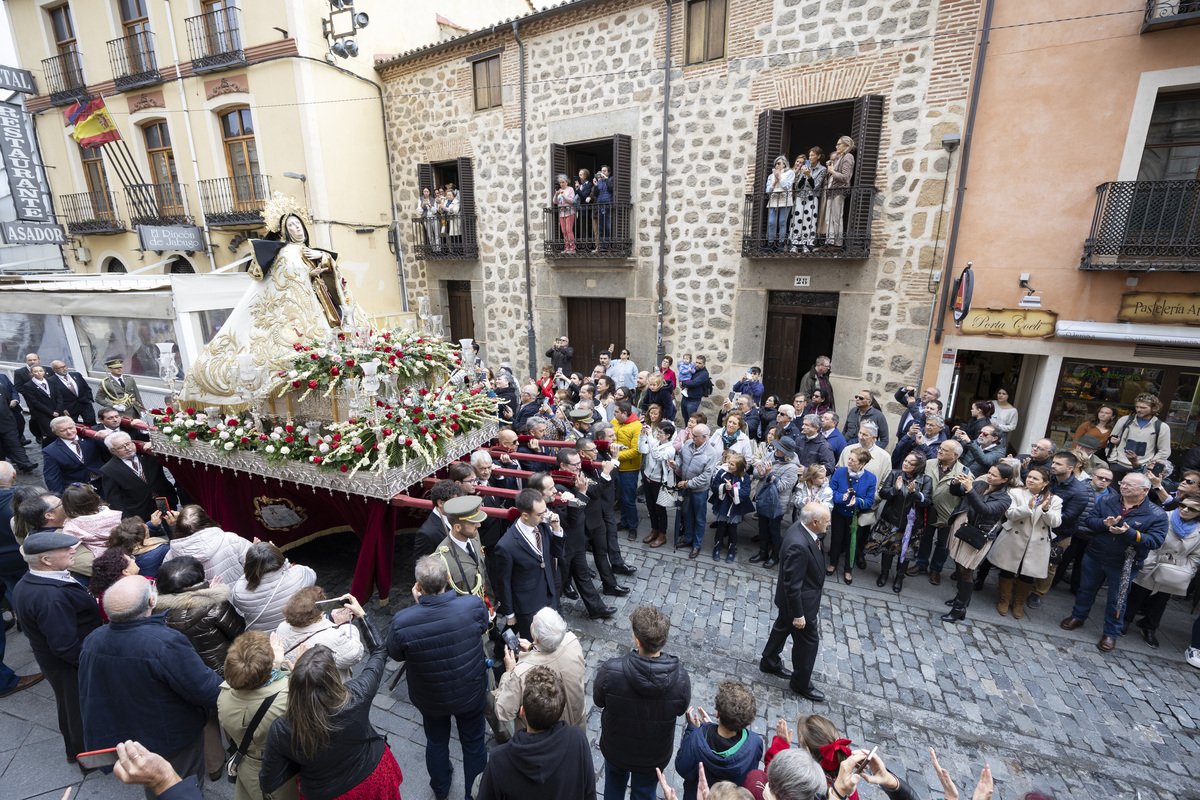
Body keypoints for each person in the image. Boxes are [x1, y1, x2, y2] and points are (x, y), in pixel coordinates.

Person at [179, 208, 367, 408]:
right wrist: (312, 272)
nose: (297, 229)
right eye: (291, 226)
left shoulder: (311, 250)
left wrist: (324, 259)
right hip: (296, 311)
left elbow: (331, 280)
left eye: (298, 224)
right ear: (284, 231)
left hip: (321, 307)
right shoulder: (285, 253)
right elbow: (288, 280)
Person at [80, 576, 222, 796]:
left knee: (155, 785)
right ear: (151, 602)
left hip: (133, 733)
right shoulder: (164, 643)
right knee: (178, 785)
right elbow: (207, 689)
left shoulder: (93, 639)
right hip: (173, 737)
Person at [261, 621, 401, 800]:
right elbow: (380, 651)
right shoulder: (357, 694)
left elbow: (269, 782)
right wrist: (363, 616)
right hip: (373, 777)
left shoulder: (283, 727)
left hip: (326, 793)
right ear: (333, 676)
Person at [387, 556, 490, 800]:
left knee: (436, 742)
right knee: (474, 745)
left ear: (418, 587)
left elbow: (395, 653)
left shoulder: (403, 621)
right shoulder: (473, 605)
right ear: (447, 579)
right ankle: (473, 794)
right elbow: (483, 627)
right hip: (470, 692)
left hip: (430, 697)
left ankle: (441, 788)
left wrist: (418, 606)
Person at [11, 530, 102, 763]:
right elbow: (65, 646)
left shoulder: (36, 580)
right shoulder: (50, 597)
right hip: (68, 664)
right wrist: (93, 663)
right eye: (66, 549)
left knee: (70, 706)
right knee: (78, 709)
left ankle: (77, 752)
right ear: (46, 560)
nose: (73, 550)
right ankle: (88, 758)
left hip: (56, 661)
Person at [1062, 472, 1168, 652]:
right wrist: (1104, 523)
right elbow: (1089, 520)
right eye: (1123, 483)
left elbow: (1155, 541)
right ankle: (1078, 616)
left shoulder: (1156, 514)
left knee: (1117, 600)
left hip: (1124, 563)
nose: (1124, 487)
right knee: (1086, 589)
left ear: (1144, 490)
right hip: (1095, 554)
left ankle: (1111, 632)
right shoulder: (1107, 501)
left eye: (1130, 485)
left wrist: (1129, 534)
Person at [595, 605, 691, 800]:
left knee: (613, 787)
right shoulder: (680, 678)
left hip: (617, 749)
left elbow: (598, 700)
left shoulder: (611, 671)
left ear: (636, 640)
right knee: (645, 792)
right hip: (653, 755)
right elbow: (681, 709)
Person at [479, 666, 595, 800]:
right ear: (562, 709)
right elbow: (589, 792)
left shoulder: (499, 759)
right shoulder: (577, 739)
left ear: (522, 712)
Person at [759, 502, 831, 701]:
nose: (829, 524)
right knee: (808, 642)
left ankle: (769, 661)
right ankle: (801, 683)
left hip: (790, 601)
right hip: (800, 605)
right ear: (815, 522)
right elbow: (792, 584)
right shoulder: (800, 544)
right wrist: (799, 614)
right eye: (827, 521)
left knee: (782, 626)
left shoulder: (800, 528)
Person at [217, 631, 297, 800]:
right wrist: (296, 675)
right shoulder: (289, 697)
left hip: (247, 766)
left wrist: (272, 667)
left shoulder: (223, 697)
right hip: (279, 771)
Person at [492, 606, 586, 736]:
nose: (534, 617)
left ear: (535, 638)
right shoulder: (572, 641)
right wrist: (533, 648)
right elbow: (552, 656)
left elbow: (504, 711)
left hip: (541, 738)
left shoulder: (521, 673)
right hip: (576, 726)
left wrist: (509, 671)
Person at [1121, 497, 1200, 649]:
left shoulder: (1198, 529)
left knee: (1160, 601)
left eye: (1192, 509)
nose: (1184, 509)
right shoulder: (1163, 516)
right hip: (1151, 562)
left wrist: (1189, 570)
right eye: (1183, 505)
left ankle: (1150, 627)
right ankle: (1125, 621)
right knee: (1137, 594)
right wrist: (1145, 558)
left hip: (1175, 569)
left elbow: (1196, 555)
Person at [941, 463, 1014, 622]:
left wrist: (970, 489)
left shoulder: (1005, 498)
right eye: (989, 472)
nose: (989, 476)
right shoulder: (980, 484)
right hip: (961, 526)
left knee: (966, 570)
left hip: (977, 533)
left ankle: (959, 608)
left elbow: (984, 509)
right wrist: (956, 482)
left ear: (1005, 480)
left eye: (994, 475)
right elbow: (955, 493)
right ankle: (961, 599)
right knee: (957, 564)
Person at [989, 466, 1062, 619]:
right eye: (1029, 477)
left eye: (1035, 478)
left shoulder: (1054, 499)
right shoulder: (1016, 492)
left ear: (1045, 483)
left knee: (1028, 573)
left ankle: (1018, 603)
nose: (1030, 480)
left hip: (1037, 542)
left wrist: (1047, 511)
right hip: (1014, 538)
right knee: (1007, 569)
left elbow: (1056, 522)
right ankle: (1004, 599)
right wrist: (1027, 508)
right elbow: (1009, 514)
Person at [155, 556, 246, 676]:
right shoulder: (215, 605)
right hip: (225, 667)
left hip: (190, 672)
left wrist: (205, 594)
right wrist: (210, 596)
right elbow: (239, 631)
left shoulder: (154, 609)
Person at [493, 488, 565, 640]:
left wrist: (557, 529)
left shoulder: (543, 525)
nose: (545, 515)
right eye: (540, 514)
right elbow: (503, 582)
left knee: (550, 637)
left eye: (545, 510)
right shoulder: (506, 545)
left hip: (548, 595)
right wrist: (510, 613)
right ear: (525, 515)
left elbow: (557, 553)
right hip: (527, 604)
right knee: (532, 642)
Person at [674, 680, 763, 800]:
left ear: (717, 713)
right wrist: (709, 727)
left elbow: (682, 768)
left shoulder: (695, 738)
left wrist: (692, 729)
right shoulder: (755, 742)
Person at [1029, 451, 1093, 609]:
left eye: (1058, 464)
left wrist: (1044, 512)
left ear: (1070, 468)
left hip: (1060, 534)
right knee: (1030, 557)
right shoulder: (1048, 479)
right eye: (1053, 462)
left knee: (1050, 565)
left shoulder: (1080, 491)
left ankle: (1038, 593)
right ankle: (1023, 584)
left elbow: (1068, 517)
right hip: (1035, 526)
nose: (1053, 466)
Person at [907, 440, 970, 586]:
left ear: (955, 455)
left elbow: (966, 495)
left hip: (948, 515)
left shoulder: (964, 471)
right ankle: (921, 564)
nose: (940, 451)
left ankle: (936, 570)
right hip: (927, 511)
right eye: (940, 448)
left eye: (944, 450)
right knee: (925, 538)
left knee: (943, 545)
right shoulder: (929, 464)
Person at [869, 452, 932, 593]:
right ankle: (884, 573)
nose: (906, 464)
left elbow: (927, 501)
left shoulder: (926, 480)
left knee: (905, 553)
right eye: (905, 460)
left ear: (918, 466)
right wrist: (895, 489)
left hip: (912, 524)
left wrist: (914, 493)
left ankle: (899, 577)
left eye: (911, 463)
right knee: (888, 549)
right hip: (891, 519)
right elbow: (883, 494)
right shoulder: (894, 474)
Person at [230, 542, 317, 632]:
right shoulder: (299, 574)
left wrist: (256, 557)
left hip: (266, 639)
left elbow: (237, 603)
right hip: (297, 630)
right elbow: (312, 574)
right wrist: (277, 556)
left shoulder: (239, 591)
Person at [100, 432, 177, 521]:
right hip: (139, 510)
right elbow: (114, 499)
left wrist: (155, 445)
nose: (127, 448)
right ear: (112, 451)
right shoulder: (109, 469)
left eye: (129, 444)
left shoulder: (149, 454)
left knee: (175, 530)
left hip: (165, 501)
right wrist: (127, 519)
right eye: (121, 447)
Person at [828, 448, 877, 585]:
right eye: (849, 458)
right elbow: (831, 491)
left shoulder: (871, 478)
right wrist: (841, 497)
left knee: (852, 543)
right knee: (836, 540)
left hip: (855, 517)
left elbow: (869, 501)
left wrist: (858, 502)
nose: (848, 461)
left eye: (852, 460)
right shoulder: (839, 472)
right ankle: (833, 563)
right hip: (839, 513)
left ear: (861, 464)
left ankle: (848, 569)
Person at [750, 435, 800, 568]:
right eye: (776, 447)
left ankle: (775, 556)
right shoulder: (770, 455)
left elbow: (783, 487)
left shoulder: (792, 467)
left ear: (787, 453)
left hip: (777, 504)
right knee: (762, 528)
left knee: (774, 530)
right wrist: (760, 473)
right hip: (763, 500)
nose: (776, 451)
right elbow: (756, 471)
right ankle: (762, 553)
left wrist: (770, 474)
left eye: (779, 449)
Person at [678, 423, 721, 558]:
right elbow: (680, 457)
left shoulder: (711, 453)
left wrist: (687, 483)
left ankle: (697, 545)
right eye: (691, 434)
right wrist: (676, 464)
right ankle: (688, 538)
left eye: (695, 435)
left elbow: (705, 477)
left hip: (699, 491)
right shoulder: (688, 444)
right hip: (686, 488)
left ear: (704, 437)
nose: (692, 437)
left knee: (699, 518)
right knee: (687, 514)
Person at [1107, 394, 1173, 480]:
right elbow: (1111, 440)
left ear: (1154, 408)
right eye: (1137, 407)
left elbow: (1164, 451)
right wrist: (1113, 459)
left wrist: (1148, 465)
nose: (1138, 410)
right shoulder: (1125, 420)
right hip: (1119, 464)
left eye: (1143, 408)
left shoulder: (1162, 427)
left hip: (1141, 468)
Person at [41, 416, 106, 494]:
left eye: (71, 428)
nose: (69, 432)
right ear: (55, 432)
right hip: (78, 491)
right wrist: (60, 498)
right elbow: (51, 477)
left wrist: (109, 435)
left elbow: (111, 448)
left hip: (102, 482)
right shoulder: (50, 451)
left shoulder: (90, 438)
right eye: (63, 430)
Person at [710, 451, 753, 563]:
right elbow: (714, 486)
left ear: (738, 467)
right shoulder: (722, 472)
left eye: (732, 464)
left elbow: (746, 492)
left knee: (733, 529)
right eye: (729, 463)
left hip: (735, 507)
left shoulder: (745, 477)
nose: (729, 465)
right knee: (721, 527)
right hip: (723, 505)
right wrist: (724, 487)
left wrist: (733, 489)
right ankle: (717, 546)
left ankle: (732, 548)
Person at [61, 481, 123, 558]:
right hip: (123, 552)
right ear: (95, 497)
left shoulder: (73, 526)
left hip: (102, 559)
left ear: (67, 505)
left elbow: (65, 548)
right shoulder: (113, 515)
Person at [612, 400, 643, 537]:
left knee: (629, 499)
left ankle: (632, 526)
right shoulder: (614, 423)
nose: (613, 414)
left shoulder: (637, 427)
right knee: (620, 497)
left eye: (616, 412)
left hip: (629, 469)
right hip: (615, 467)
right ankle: (624, 522)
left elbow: (636, 451)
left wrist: (615, 456)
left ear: (625, 413)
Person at [106, 514, 173, 578]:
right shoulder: (161, 549)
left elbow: (136, 537)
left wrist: (152, 525)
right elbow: (178, 547)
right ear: (144, 536)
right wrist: (173, 526)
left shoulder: (117, 550)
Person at [786, 148, 827, 252]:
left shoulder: (822, 169)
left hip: (811, 199)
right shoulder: (804, 167)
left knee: (809, 222)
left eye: (813, 155)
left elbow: (816, 186)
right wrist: (804, 175)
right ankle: (795, 244)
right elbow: (798, 186)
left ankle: (807, 244)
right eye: (809, 156)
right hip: (800, 197)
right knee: (797, 221)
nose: (810, 158)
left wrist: (809, 175)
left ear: (818, 156)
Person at [414, 479, 465, 559]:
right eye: (453, 502)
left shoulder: (459, 516)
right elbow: (423, 566)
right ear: (440, 503)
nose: (458, 505)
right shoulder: (427, 533)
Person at [822, 136, 855, 250]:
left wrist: (832, 171)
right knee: (829, 218)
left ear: (846, 146)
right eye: (836, 144)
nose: (837, 146)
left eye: (839, 144)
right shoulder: (840, 158)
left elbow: (845, 177)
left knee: (836, 217)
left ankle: (838, 243)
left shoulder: (848, 157)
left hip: (839, 190)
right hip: (831, 191)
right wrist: (829, 169)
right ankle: (830, 241)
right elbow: (832, 176)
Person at [20, 364, 61, 446]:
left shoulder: (52, 382)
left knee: (61, 431)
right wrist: (51, 412)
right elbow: (34, 402)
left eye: (41, 371)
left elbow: (59, 396)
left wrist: (58, 410)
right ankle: (46, 450)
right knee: (51, 434)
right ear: (32, 373)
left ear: (44, 372)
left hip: (57, 411)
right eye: (36, 371)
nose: (39, 373)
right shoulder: (28, 385)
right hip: (43, 413)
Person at [50, 360, 96, 425]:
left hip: (84, 404)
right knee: (72, 425)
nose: (64, 369)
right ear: (54, 370)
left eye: (65, 366)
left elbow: (86, 388)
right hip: (69, 408)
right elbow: (54, 398)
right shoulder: (51, 381)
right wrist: (62, 409)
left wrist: (89, 399)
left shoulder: (76, 375)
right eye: (60, 368)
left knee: (91, 421)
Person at [764, 154, 795, 251]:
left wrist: (780, 178)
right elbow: (768, 191)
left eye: (779, 163)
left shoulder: (790, 173)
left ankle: (781, 244)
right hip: (773, 200)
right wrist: (774, 181)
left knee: (782, 222)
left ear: (784, 164)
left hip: (785, 200)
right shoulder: (770, 176)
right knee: (771, 222)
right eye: (775, 164)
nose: (776, 165)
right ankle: (770, 243)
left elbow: (787, 186)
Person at [680, 355, 713, 422]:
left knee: (692, 421)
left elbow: (694, 383)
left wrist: (682, 383)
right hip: (685, 398)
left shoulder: (704, 374)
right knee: (686, 419)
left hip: (693, 401)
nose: (697, 365)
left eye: (699, 363)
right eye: (696, 362)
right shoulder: (694, 370)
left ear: (704, 364)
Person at [989, 386, 1019, 451]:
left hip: (1000, 435)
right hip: (986, 431)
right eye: (999, 393)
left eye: (1004, 394)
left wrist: (999, 426)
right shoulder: (990, 403)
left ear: (1008, 396)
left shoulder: (1012, 411)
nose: (1000, 395)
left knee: (995, 453)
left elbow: (1013, 426)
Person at [554, 174, 577, 252]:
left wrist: (564, 196)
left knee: (569, 230)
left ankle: (572, 247)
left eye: (563, 182)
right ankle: (567, 247)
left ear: (566, 182)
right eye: (560, 183)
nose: (561, 184)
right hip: (561, 213)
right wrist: (556, 195)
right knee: (563, 230)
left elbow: (572, 201)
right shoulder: (559, 190)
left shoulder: (570, 189)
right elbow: (555, 202)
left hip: (569, 212)